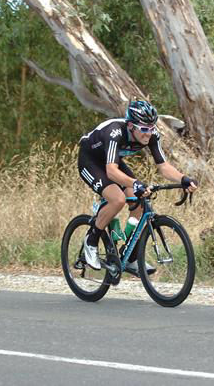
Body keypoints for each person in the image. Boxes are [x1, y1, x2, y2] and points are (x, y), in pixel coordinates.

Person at [78, 100, 197, 275]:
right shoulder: (115, 132)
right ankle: (91, 241)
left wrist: (184, 179)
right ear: (131, 126)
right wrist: (135, 183)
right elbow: (111, 171)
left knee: (140, 202)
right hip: (91, 161)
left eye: (152, 127)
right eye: (144, 128)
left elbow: (163, 166)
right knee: (117, 199)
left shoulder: (152, 134)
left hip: (112, 162)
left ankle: (130, 256)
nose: (149, 133)